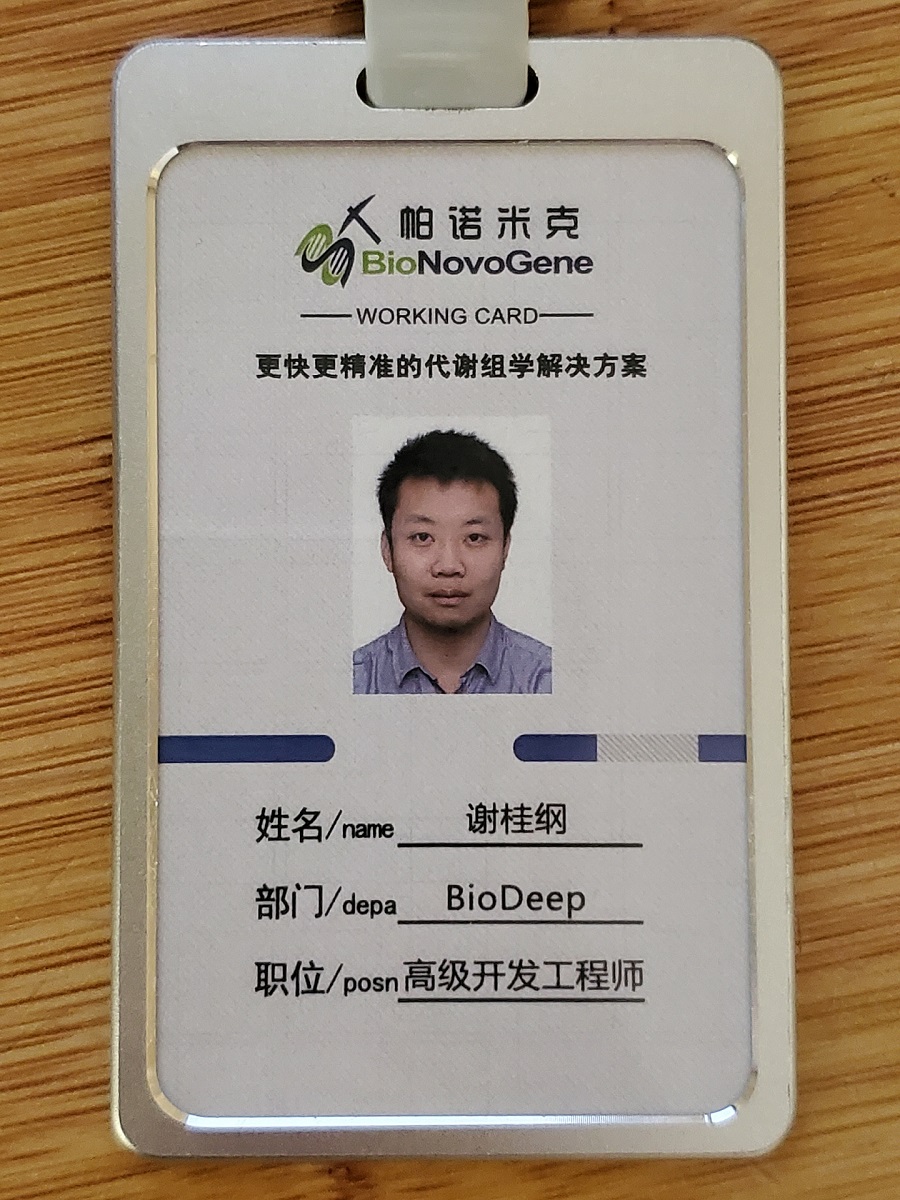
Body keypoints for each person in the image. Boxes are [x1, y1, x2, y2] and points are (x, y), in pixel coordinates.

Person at [354, 429, 551, 694]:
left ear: (505, 548)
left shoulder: (547, 680)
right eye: (423, 537)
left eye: (474, 537)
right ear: (387, 549)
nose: (448, 567)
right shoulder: (352, 681)